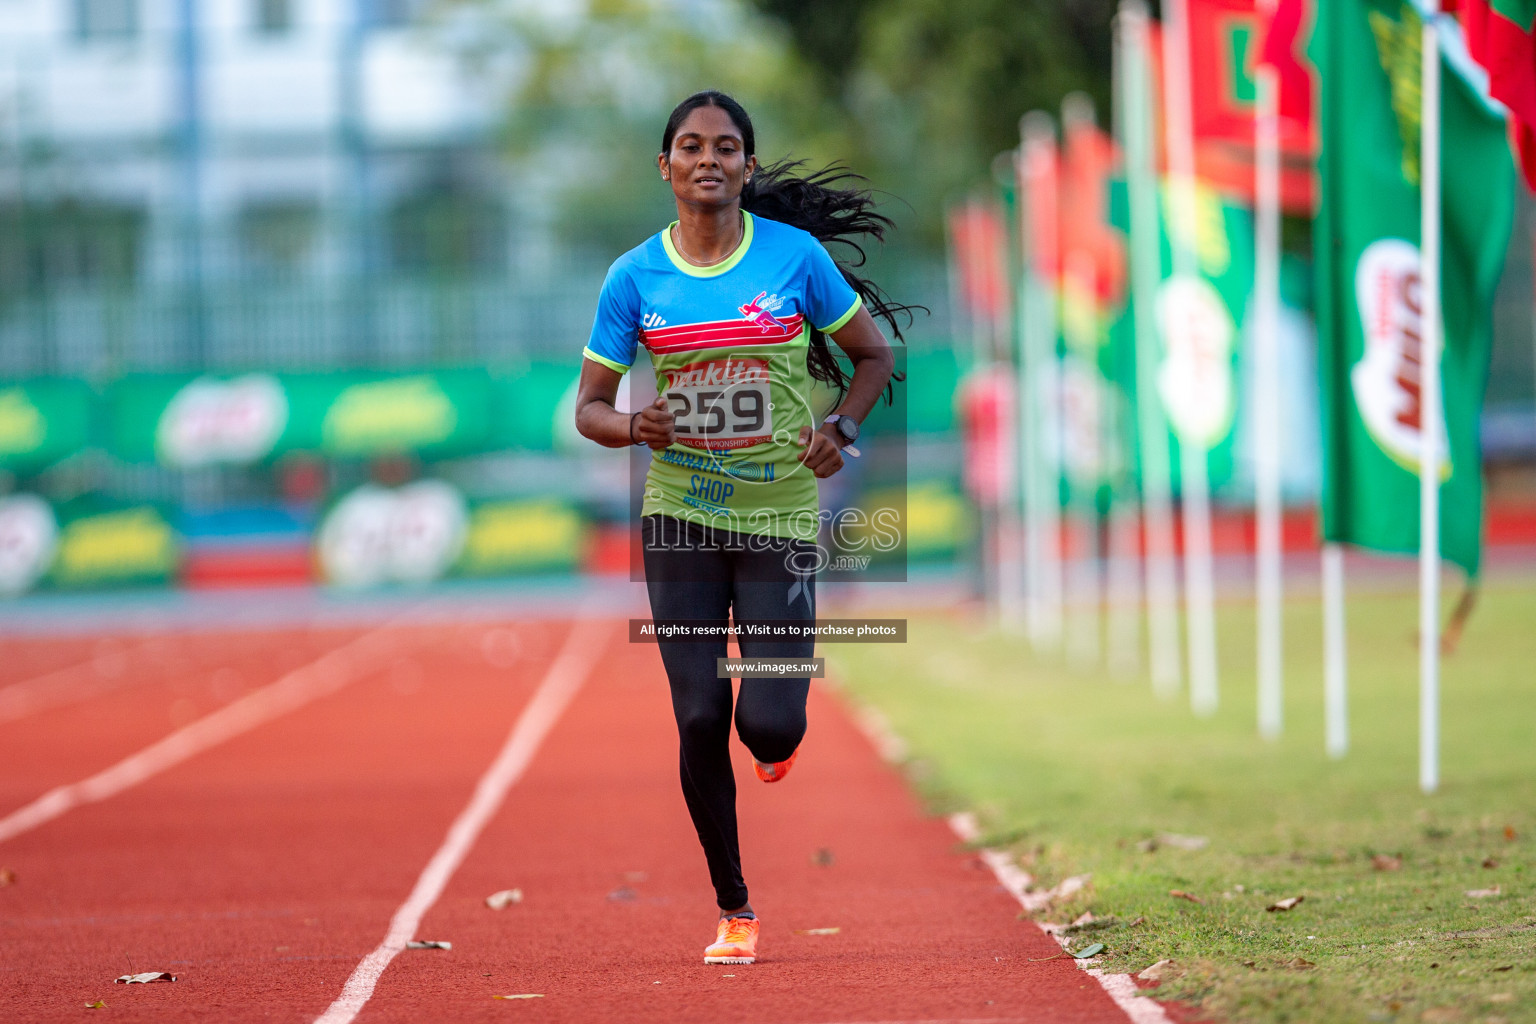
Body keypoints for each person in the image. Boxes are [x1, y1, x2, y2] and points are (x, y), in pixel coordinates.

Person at [574, 90, 909, 966]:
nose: (708, 159)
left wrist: (840, 430)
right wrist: (633, 427)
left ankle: (775, 740)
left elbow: (874, 356)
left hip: (780, 520)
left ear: (748, 167)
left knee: (768, 725)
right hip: (679, 517)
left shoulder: (794, 260)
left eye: (726, 147)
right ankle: (735, 906)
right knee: (696, 714)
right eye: (691, 146)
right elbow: (590, 409)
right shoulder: (633, 278)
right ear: (666, 167)